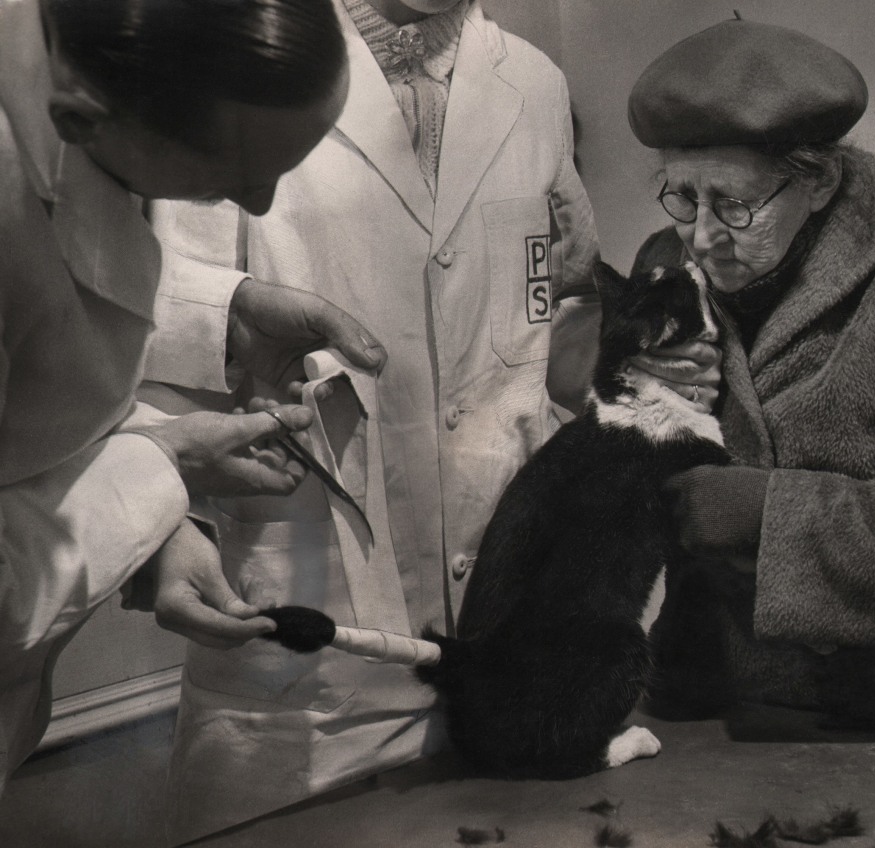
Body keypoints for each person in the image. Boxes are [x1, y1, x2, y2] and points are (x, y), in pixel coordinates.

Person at [142, 0, 720, 841]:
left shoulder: (534, 84)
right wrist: (171, 525)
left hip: (519, 635)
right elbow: (151, 330)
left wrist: (652, 372)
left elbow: (542, 329)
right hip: (312, 662)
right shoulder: (235, 54)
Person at [0, 0, 372, 793]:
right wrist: (163, 467)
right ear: (79, 119)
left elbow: (54, 302)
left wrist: (225, 312)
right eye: (229, 180)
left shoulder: (76, 76)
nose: (262, 204)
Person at [626, 18, 875, 734]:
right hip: (704, 705)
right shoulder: (667, 262)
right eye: (682, 196)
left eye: (735, 204)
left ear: (820, 181)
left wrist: (765, 515)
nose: (703, 236)